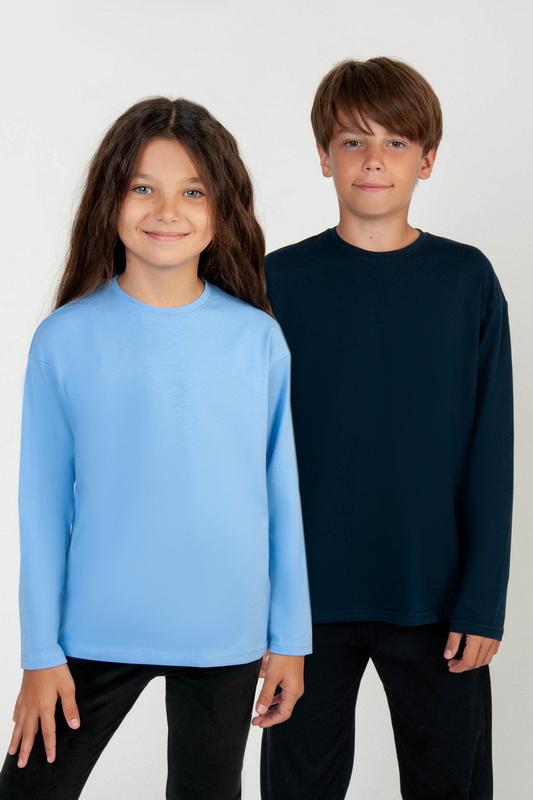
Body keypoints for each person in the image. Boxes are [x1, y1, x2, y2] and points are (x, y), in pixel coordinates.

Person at [0, 96, 312, 800]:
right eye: (143, 187)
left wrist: (291, 637)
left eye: (192, 192)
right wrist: (39, 652)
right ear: (110, 199)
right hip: (93, 629)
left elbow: (279, 494)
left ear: (221, 209)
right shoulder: (65, 339)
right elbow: (41, 508)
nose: (167, 210)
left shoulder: (256, 339)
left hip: (224, 630)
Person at [257, 57, 514, 799]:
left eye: (395, 142)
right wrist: (267, 606)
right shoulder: (278, 282)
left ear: (426, 159)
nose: (373, 160)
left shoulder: (466, 280)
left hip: (437, 598)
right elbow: (253, 450)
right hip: (307, 605)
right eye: (352, 142)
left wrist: (482, 601)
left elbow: (491, 450)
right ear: (323, 156)